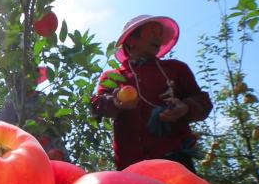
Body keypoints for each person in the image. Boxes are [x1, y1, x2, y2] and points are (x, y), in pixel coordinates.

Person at [90, 15, 212, 172]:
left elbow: (202, 101)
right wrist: (115, 101)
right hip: (131, 164)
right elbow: (96, 104)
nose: (159, 37)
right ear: (131, 41)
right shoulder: (113, 76)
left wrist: (185, 107)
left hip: (175, 160)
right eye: (153, 32)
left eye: (160, 33)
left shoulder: (175, 69)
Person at [0, 66, 67, 160]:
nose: (33, 80)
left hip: (53, 149)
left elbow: (61, 122)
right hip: (24, 153)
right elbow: (4, 126)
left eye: (35, 77)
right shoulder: (12, 101)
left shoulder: (44, 98)